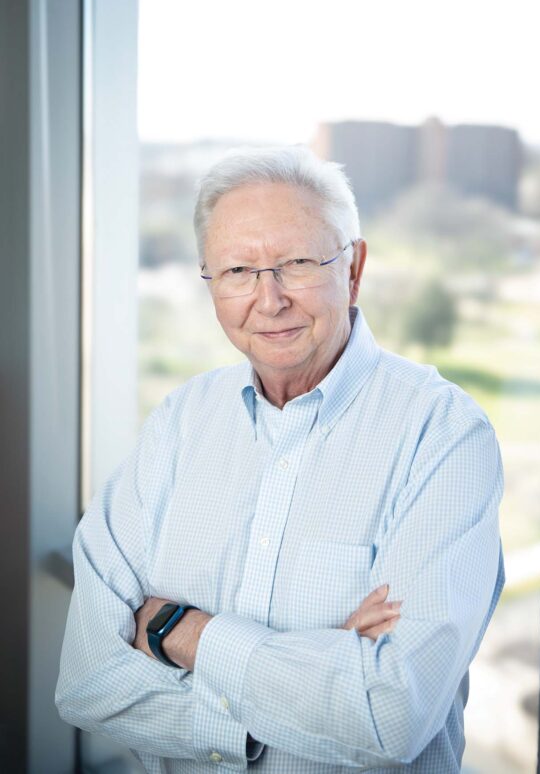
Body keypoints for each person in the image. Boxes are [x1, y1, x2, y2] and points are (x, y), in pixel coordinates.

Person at [56, 145, 504, 773]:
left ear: (354, 269)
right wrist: (317, 671)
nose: (268, 300)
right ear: (211, 281)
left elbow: (391, 714)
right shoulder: (179, 424)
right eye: (238, 271)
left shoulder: (443, 434)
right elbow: (87, 682)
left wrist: (179, 632)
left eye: (296, 263)